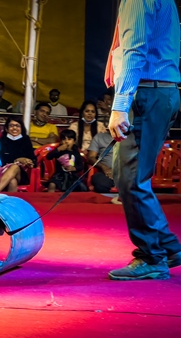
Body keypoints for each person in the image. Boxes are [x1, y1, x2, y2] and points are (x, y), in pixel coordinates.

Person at [106, 0, 181, 281]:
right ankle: (166, 247)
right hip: (160, 91)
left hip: (147, 92)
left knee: (130, 178)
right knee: (133, 176)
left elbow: (135, 50)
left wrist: (120, 105)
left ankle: (151, 256)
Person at [0, 117, 37, 192]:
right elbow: (0, 161)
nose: (14, 128)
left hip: (21, 174)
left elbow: (33, 159)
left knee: (15, 167)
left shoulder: (26, 140)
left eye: (17, 125)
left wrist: (29, 162)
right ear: (6, 129)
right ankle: (9, 203)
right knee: (12, 181)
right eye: (11, 126)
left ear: (21, 128)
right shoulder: (2, 141)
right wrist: (18, 160)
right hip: (3, 172)